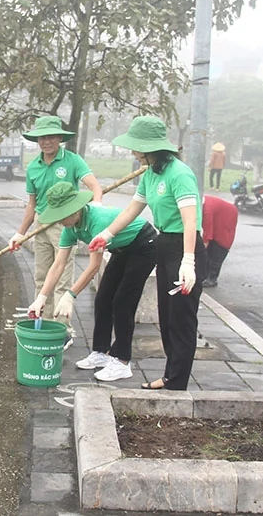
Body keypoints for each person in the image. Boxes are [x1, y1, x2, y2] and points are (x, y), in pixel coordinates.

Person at [88, 116, 207, 391]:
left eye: (136, 147)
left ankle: (177, 383)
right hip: (165, 245)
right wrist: (106, 234)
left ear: (150, 147)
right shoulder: (151, 173)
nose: (133, 152)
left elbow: (190, 220)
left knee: (181, 319)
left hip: (184, 247)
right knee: (167, 318)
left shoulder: (179, 174)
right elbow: (133, 209)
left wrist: (188, 261)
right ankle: (170, 376)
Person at [28, 182, 157, 381]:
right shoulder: (70, 227)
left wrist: (70, 295)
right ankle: (101, 352)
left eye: (63, 215)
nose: (60, 220)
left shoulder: (97, 221)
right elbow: (58, 264)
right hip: (121, 248)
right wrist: (41, 298)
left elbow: (94, 266)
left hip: (144, 244)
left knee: (122, 302)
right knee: (103, 298)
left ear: (76, 209)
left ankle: (122, 361)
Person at [9, 116, 103, 329]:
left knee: (62, 279)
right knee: (41, 277)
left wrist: (96, 208)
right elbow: (32, 204)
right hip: (42, 224)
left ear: (60, 138)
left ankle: (61, 327)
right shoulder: (33, 167)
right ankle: (43, 323)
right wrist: (20, 233)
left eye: (51, 137)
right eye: (42, 138)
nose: (46, 142)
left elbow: (95, 187)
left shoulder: (73, 161)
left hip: (64, 223)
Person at [202, 195, 238, 287]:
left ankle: (212, 279)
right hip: (218, 217)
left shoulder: (207, 211)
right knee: (209, 252)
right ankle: (205, 276)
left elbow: (207, 233)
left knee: (219, 250)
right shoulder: (202, 203)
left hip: (227, 219)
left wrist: (201, 250)